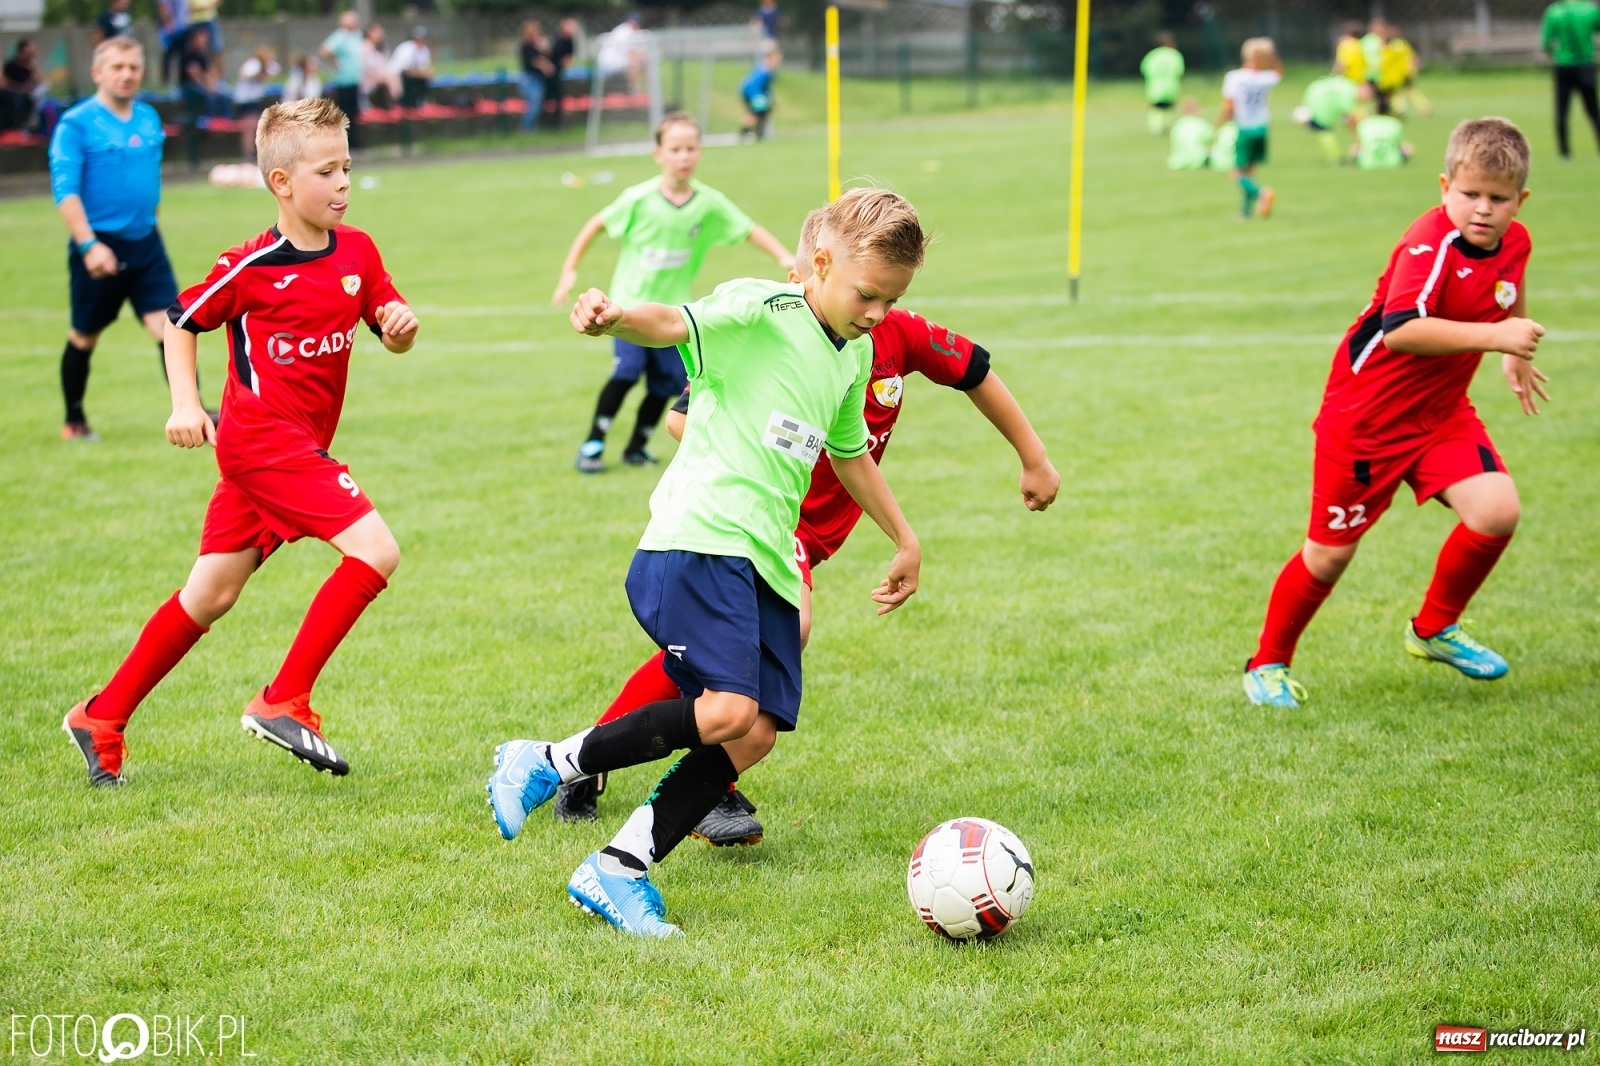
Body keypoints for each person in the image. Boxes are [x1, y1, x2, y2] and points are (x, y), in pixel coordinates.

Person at [487, 188, 928, 938]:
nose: (878, 314)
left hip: (765, 561)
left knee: (751, 734)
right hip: (701, 537)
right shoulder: (762, 309)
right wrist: (615, 315)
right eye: (867, 295)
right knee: (725, 709)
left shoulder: (852, 356)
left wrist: (904, 537)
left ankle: (617, 869)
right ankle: (547, 759)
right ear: (820, 264)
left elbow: (849, 453)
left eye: (892, 300)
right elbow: (674, 322)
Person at [552, 208, 1062, 842]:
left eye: (886, 298)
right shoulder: (770, 325)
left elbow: (971, 374)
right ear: (810, 272)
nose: (871, 309)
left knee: (729, 679)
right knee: (769, 656)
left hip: (806, 537)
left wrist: (1032, 458)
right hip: (756, 524)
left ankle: (594, 763)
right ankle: (674, 783)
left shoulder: (881, 341)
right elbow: (684, 412)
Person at [62, 97, 421, 788]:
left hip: (289, 451)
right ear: (282, 182)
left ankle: (100, 718)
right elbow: (180, 320)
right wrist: (184, 403)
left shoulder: (359, 250)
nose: (343, 182)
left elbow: (388, 322)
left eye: (348, 165)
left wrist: (401, 330)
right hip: (261, 443)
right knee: (376, 550)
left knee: (210, 595)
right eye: (326, 170)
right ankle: (284, 699)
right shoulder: (251, 266)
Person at [1242, 118, 1545, 710]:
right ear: (1444, 186)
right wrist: (1495, 337)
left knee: (1497, 510)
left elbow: (1509, 289)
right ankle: (1266, 664)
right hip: (1365, 421)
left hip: (1440, 414)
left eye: (1498, 198)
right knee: (1329, 556)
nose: (1482, 209)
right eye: (1469, 194)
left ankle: (1433, 629)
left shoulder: (1517, 240)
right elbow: (1402, 331)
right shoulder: (1428, 245)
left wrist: (1512, 351)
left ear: (1520, 200)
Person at [552, 112, 795, 473]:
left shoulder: (708, 203)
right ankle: (593, 445)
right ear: (658, 154)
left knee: (666, 384)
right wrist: (569, 269)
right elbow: (596, 224)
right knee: (627, 372)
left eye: (691, 148)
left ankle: (637, 446)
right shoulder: (639, 199)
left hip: (672, 316)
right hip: (626, 310)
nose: (684, 156)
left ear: (700, 152)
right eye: (675, 149)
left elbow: (747, 228)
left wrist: (784, 256)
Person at [49, 38, 188, 442]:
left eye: (133, 67)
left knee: (172, 328)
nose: (126, 74)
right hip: (98, 245)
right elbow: (65, 190)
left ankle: (191, 408)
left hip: (146, 242)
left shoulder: (148, 119)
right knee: (84, 335)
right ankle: (74, 420)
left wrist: (152, 218)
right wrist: (88, 244)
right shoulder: (76, 125)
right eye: (117, 67)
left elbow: (149, 181)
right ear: (98, 73)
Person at [1219, 37, 1281, 219]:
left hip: (1244, 127)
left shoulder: (1234, 77)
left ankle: (1261, 194)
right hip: (1262, 127)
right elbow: (1278, 72)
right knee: (1250, 172)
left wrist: (1219, 124)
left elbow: (1229, 106)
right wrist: (1272, 57)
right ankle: (1246, 211)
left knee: (1236, 173)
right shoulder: (1265, 78)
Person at [1541, 0, 1600, 159]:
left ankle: (1564, 152)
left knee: (1562, 110)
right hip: (1586, 65)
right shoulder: (1590, 10)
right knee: (1594, 111)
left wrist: (1557, 53)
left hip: (1563, 66)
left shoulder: (1555, 11)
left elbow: (1546, 42)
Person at [1296, 69, 1360, 163]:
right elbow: (1348, 111)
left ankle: (1334, 158)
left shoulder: (1337, 84)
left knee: (1323, 131)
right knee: (1324, 131)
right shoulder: (1348, 88)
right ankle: (1335, 158)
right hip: (1322, 108)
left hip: (1313, 103)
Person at [321, 10, 364, 146]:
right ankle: (346, 143)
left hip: (356, 79)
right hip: (344, 81)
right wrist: (335, 64)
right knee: (346, 113)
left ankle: (355, 141)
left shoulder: (357, 35)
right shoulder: (340, 36)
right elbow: (325, 50)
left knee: (355, 112)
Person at [233, 46, 281, 160]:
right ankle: (248, 154)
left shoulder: (268, 66)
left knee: (259, 126)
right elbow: (244, 74)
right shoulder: (253, 64)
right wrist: (259, 71)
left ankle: (256, 153)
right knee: (249, 127)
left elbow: (275, 70)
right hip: (246, 100)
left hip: (256, 99)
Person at [1140, 32, 1185, 136]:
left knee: (1156, 109)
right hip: (1171, 86)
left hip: (1155, 87)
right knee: (1169, 108)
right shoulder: (1174, 55)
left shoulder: (1152, 55)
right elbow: (1179, 71)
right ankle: (1167, 126)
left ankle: (1156, 128)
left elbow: (1145, 70)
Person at [1378, 26, 1427, 117]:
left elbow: (1382, 62)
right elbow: (1411, 56)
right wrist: (1412, 68)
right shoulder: (1403, 45)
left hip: (1390, 75)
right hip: (1404, 73)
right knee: (1410, 90)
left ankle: (1401, 108)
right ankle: (1424, 106)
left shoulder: (1387, 49)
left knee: (1392, 93)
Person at [1352, 94, 1412, 168]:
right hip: (1393, 162)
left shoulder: (1364, 123)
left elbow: (1359, 145)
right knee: (1408, 147)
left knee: (1355, 148)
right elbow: (1400, 145)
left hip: (1366, 163)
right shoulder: (1395, 123)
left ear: (1375, 109)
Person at [518, 20, 554, 133]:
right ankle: (525, 130)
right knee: (534, 106)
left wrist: (544, 46)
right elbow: (534, 61)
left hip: (538, 78)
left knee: (537, 105)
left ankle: (532, 130)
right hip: (530, 78)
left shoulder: (538, 45)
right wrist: (546, 66)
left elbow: (548, 54)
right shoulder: (526, 46)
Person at [596, 14, 646, 93]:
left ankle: (643, 92)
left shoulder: (631, 32)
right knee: (634, 64)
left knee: (641, 62)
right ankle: (634, 92)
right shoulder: (624, 32)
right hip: (609, 64)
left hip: (614, 62)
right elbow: (632, 54)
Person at [1, 38, 41, 134]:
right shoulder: (11, 66)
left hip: (29, 94)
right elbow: (4, 83)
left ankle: (26, 128)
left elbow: (40, 82)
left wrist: (33, 68)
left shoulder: (30, 67)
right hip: (12, 94)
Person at [740, 46, 779, 141]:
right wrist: (758, 98)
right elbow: (753, 85)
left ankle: (757, 132)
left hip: (755, 94)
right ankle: (746, 131)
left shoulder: (767, 69)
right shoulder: (764, 70)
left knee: (762, 112)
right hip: (753, 94)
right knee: (757, 112)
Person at [545, 18, 578, 129]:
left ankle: (556, 124)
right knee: (551, 98)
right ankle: (551, 124)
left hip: (558, 73)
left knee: (558, 98)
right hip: (550, 74)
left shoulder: (570, 41)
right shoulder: (558, 39)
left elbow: (569, 58)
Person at [390, 25, 432, 111]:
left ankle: (417, 103)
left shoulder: (424, 50)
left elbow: (425, 67)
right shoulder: (406, 48)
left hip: (414, 76)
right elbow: (405, 69)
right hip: (398, 76)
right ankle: (406, 104)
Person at [1167, 98, 1214, 169]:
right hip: (1198, 160)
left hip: (1177, 162)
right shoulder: (1202, 124)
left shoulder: (1177, 124)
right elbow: (1212, 139)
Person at [361, 24, 396, 112]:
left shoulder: (382, 48)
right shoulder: (364, 47)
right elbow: (364, 67)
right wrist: (377, 77)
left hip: (382, 80)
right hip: (368, 80)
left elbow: (385, 65)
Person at [157, 0, 187, 87]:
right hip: (170, 28)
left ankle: (181, 83)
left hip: (183, 26)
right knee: (168, 56)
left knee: (182, 56)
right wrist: (169, 23)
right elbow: (163, 6)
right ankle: (166, 82)